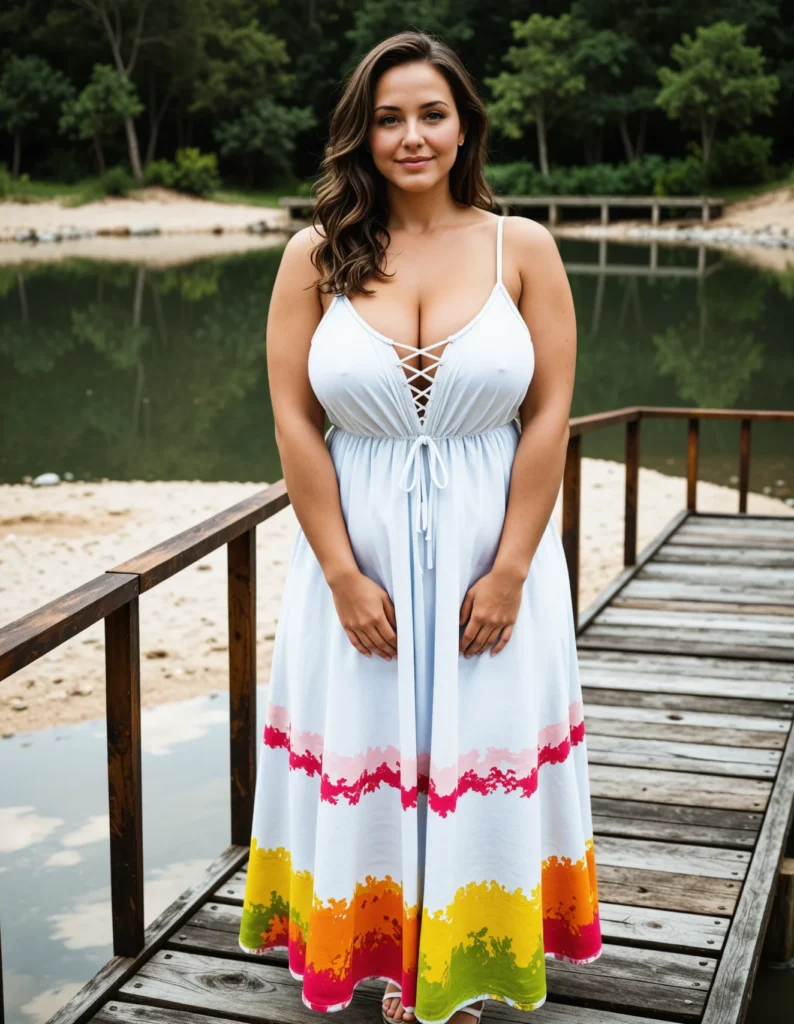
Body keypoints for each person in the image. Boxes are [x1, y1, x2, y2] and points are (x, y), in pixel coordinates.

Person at [238, 29, 601, 1024]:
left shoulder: (518, 246)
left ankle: (460, 953)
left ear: (462, 125)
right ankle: (382, 956)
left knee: (479, 735)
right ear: (361, 132)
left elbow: (548, 413)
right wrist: (342, 572)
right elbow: (291, 420)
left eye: (430, 114)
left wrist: (514, 567)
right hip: (356, 556)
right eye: (388, 117)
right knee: (366, 741)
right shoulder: (312, 255)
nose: (410, 135)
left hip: (493, 545)